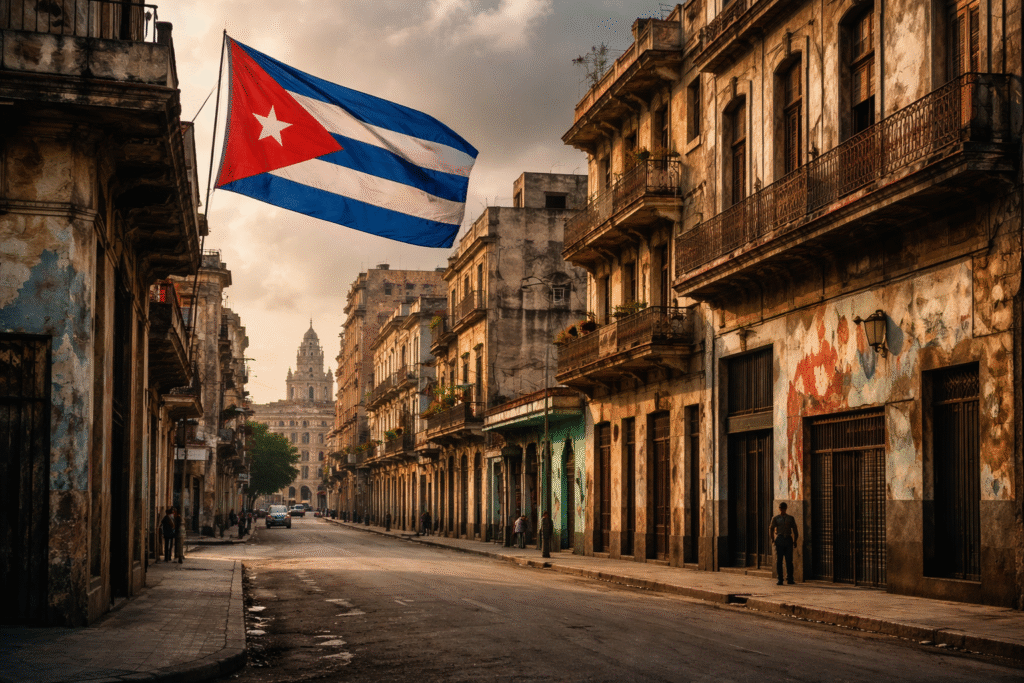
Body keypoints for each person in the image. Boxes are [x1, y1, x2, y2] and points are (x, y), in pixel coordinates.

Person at [769, 502, 798, 585]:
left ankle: (790, 578)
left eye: (784, 508)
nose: (782, 510)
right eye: (781, 508)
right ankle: (780, 579)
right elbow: (771, 528)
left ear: (786, 508)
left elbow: (795, 529)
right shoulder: (776, 518)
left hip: (788, 539)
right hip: (780, 539)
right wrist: (772, 539)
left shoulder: (790, 518)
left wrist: (795, 540)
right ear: (779, 509)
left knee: (789, 560)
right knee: (779, 561)